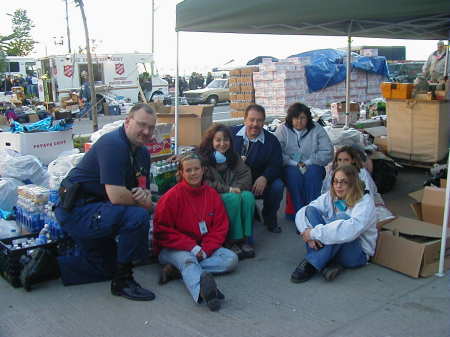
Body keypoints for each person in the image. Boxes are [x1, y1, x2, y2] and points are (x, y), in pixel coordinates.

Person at [22, 103, 157, 300]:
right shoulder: (113, 144)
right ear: (127, 122)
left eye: (151, 127)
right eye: (142, 125)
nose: (146, 131)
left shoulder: (142, 153)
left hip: (101, 210)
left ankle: (50, 265)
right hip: (78, 210)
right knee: (137, 215)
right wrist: (149, 205)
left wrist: (144, 196)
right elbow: (118, 196)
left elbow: (141, 187)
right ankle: (123, 282)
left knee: (107, 266)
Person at [153, 152, 238, 311]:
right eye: (188, 170)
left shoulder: (211, 194)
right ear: (181, 173)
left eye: (196, 169)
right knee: (187, 259)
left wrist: (205, 250)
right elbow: (162, 231)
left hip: (202, 248)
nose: (193, 173)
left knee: (231, 259)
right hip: (173, 248)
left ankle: (178, 271)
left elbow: (220, 227)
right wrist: (192, 247)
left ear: (203, 170)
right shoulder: (171, 197)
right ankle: (205, 293)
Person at [291, 165, 377, 283]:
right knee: (310, 211)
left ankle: (311, 263)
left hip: (356, 254)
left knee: (342, 219)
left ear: (352, 183)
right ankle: (325, 263)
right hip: (336, 244)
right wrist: (306, 231)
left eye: (343, 182)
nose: (338, 186)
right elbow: (303, 211)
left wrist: (313, 234)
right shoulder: (332, 194)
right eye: (335, 181)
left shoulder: (365, 202)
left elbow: (349, 231)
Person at [198, 124, 256, 259]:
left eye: (226, 140)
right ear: (211, 141)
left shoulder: (233, 157)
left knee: (247, 196)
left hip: (233, 191)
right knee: (233, 198)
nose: (222, 144)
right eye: (218, 140)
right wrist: (228, 189)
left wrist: (236, 188)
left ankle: (245, 238)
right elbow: (204, 182)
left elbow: (246, 175)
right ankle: (232, 240)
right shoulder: (204, 159)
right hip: (214, 195)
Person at [230, 104, 284, 233]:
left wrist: (265, 177)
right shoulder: (230, 134)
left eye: (259, 120)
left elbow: (277, 164)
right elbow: (209, 145)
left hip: (257, 182)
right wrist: (187, 155)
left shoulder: (271, 140)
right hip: (234, 181)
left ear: (264, 122)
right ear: (245, 120)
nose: (255, 124)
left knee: (277, 185)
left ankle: (269, 218)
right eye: (252, 120)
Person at [274, 102, 333, 215]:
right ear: (290, 118)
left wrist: (309, 161)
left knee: (313, 174)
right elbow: (276, 153)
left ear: (308, 118)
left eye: (302, 118)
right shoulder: (282, 130)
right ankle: (300, 214)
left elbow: (328, 151)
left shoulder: (316, 128)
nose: (299, 121)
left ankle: (312, 212)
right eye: (295, 118)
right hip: (290, 166)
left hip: (312, 164)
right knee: (294, 176)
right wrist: (293, 163)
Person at [321, 146, 395, 226]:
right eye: (340, 160)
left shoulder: (361, 173)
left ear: (352, 161)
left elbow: (367, 196)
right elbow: (326, 192)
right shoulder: (332, 173)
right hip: (339, 204)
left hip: (359, 204)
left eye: (346, 160)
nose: (342, 163)